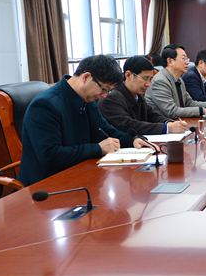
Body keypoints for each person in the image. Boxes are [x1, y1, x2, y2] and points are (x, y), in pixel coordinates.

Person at [17, 54, 151, 186]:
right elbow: (50, 155)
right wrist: (97, 149)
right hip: (47, 185)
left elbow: (106, 130)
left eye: (108, 91)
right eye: (104, 89)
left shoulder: (87, 99)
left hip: (82, 175)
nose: (104, 96)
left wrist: (133, 140)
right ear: (86, 77)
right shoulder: (45, 105)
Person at [98, 55, 188, 136]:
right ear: (128, 75)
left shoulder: (138, 94)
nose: (148, 84)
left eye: (150, 79)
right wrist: (166, 128)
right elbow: (128, 125)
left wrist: (169, 123)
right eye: (145, 79)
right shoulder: (111, 97)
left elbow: (152, 115)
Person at [145, 44, 206, 119]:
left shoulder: (179, 79)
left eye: (187, 59)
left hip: (178, 122)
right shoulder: (160, 82)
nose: (187, 62)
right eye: (183, 58)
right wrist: (203, 111)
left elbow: (189, 103)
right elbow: (172, 111)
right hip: (163, 124)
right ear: (170, 61)